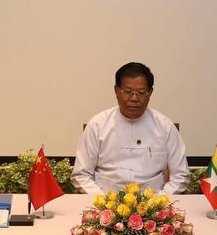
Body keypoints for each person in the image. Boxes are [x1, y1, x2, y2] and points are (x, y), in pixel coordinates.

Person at [72, 62, 188, 195]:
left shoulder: (165, 126)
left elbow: (181, 176)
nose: (134, 98)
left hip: (154, 200)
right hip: (105, 199)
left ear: (150, 93)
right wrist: (103, 201)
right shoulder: (97, 125)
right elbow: (81, 175)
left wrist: (159, 201)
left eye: (141, 92)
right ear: (116, 91)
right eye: (127, 92)